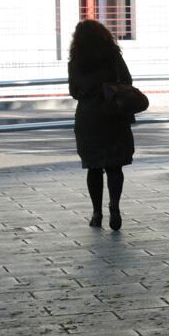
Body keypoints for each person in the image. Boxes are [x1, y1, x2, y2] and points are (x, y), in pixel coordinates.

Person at [68, 18, 136, 230]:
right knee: (114, 166)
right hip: (114, 115)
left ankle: (97, 214)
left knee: (94, 167)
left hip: (89, 118)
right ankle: (114, 207)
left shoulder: (76, 61)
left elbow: (74, 92)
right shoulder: (112, 56)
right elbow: (127, 80)